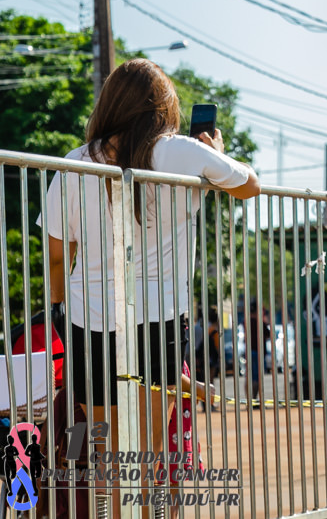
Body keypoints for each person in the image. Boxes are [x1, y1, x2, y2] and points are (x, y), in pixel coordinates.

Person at [43, 58, 260, 465]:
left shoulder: (74, 162)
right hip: (159, 318)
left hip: (88, 320)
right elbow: (251, 186)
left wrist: (58, 307)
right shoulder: (182, 151)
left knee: (108, 452)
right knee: (148, 449)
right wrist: (214, 154)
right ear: (163, 105)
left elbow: (57, 258)